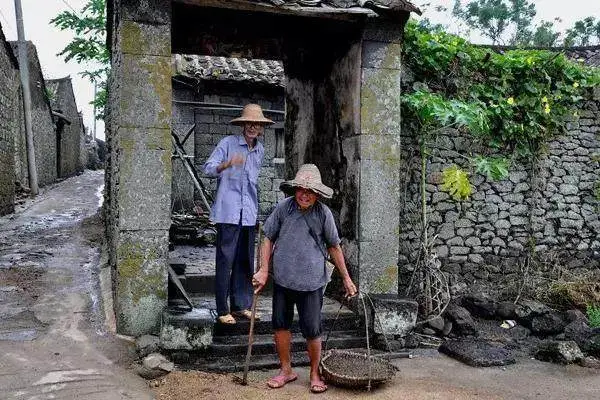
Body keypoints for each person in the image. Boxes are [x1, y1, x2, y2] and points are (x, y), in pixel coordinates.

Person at [252, 164, 357, 394]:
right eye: (301, 189)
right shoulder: (283, 208)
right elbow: (267, 237)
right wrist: (263, 269)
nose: (305, 194)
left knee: (312, 328)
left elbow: (334, 247)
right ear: (295, 189)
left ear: (317, 193)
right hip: (282, 279)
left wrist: (347, 279)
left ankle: (314, 373)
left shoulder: (323, 214)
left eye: (310, 191)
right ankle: (286, 370)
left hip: (311, 283)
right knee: (280, 324)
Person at [203, 104, 273, 325]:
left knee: (245, 261)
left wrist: (257, 212)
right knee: (225, 261)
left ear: (261, 128)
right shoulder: (227, 144)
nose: (252, 127)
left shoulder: (259, 150)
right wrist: (227, 164)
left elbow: (252, 184)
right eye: (249, 123)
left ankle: (241, 305)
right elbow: (207, 169)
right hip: (228, 212)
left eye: (257, 124)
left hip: (248, 212)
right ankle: (223, 309)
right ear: (243, 125)